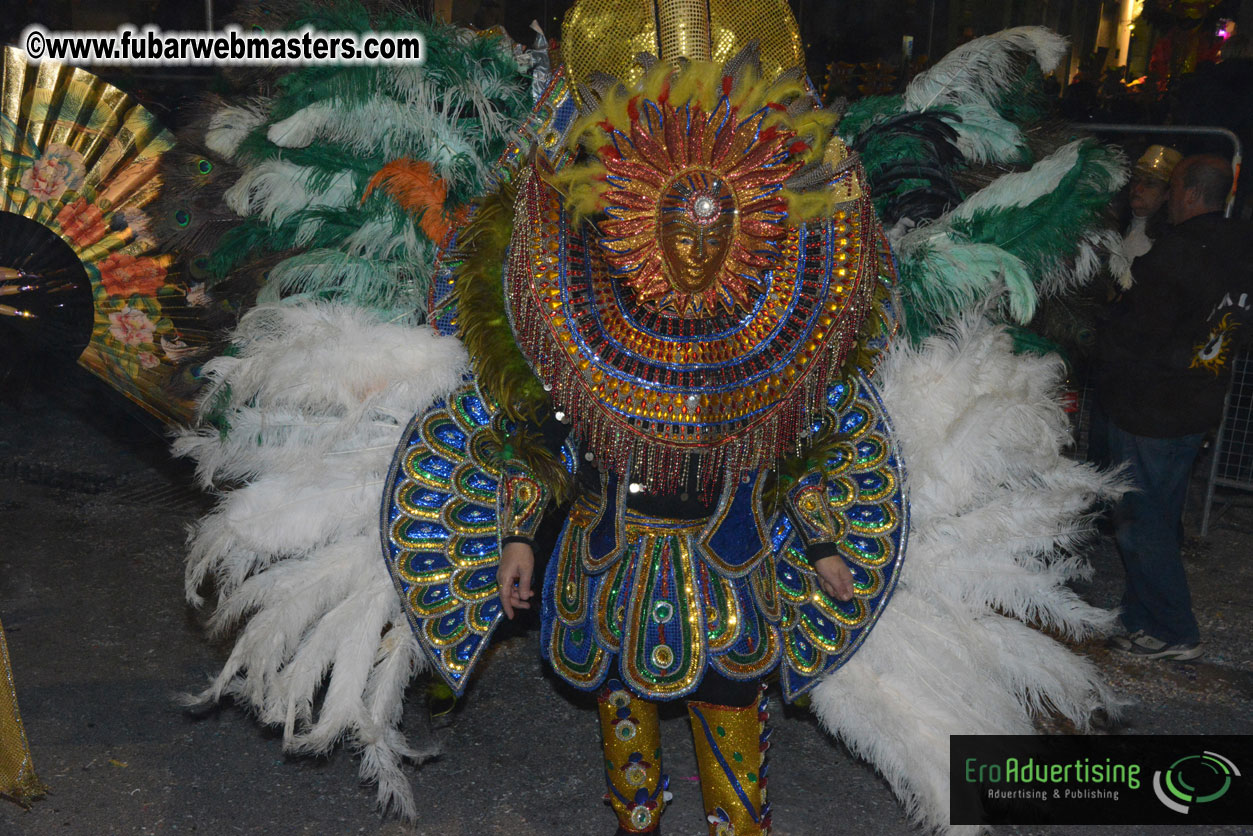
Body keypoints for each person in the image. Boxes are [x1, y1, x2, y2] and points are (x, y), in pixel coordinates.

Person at [1097, 153, 1252, 661]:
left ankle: (1173, 628)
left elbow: (1136, 333)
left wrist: (1097, 330)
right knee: (1157, 515)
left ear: (1185, 193)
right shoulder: (1243, 246)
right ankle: (1142, 616)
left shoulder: (1177, 252)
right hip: (1199, 402)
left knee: (1142, 521)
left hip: (1152, 408)